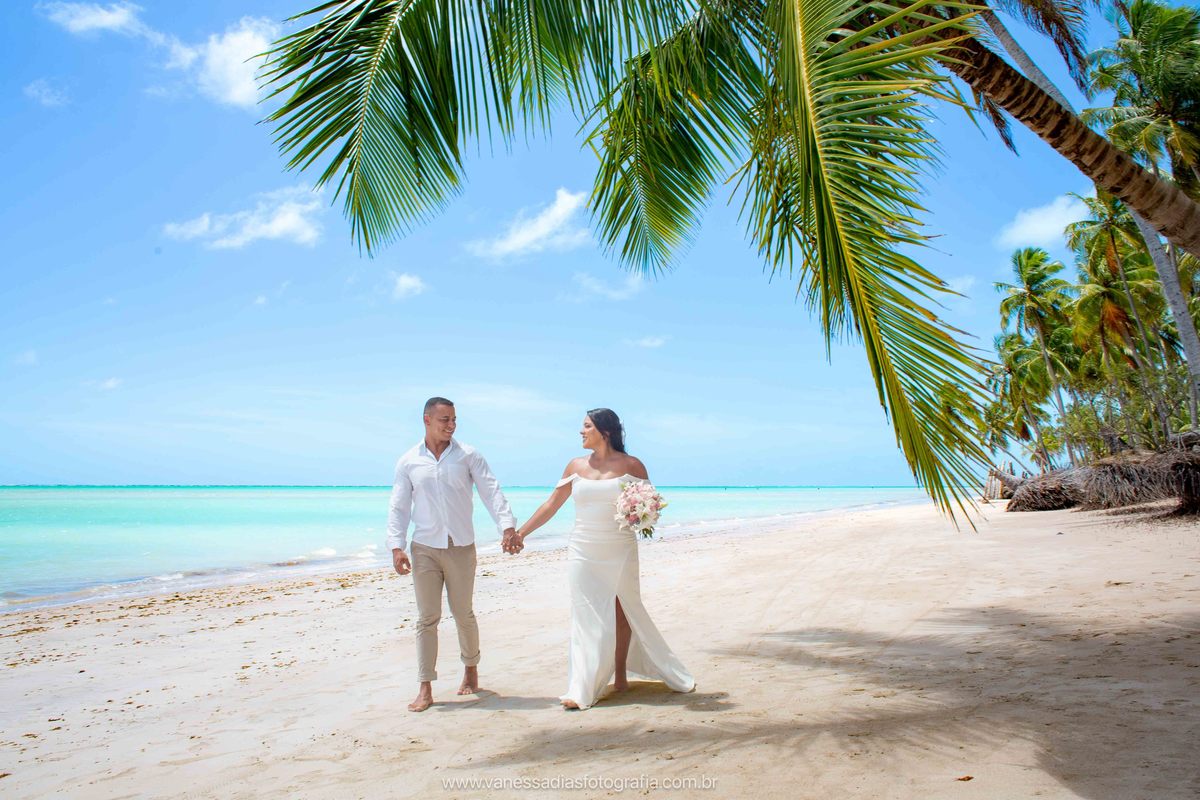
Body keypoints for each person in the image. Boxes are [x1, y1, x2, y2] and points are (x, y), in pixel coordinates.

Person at [508, 408, 695, 709]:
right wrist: (520, 533)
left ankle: (619, 674)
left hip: (619, 546)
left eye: (586, 426)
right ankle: (580, 687)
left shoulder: (632, 465)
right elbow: (551, 504)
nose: (581, 432)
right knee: (585, 612)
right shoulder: (575, 465)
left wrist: (640, 513)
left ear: (604, 431)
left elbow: (650, 507)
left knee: (623, 609)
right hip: (583, 547)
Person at [387, 396, 520, 712]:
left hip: (461, 546)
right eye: (444, 419)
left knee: (463, 612)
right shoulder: (408, 461)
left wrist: (507, 527)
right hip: (424, 549)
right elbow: (399, 505)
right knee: (427, 618)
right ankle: (425, 687)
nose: (451, 425)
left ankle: (471, 670)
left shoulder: (468, 456)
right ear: (427, 420)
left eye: (454, 419)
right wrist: (396, 546)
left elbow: (491, 491)